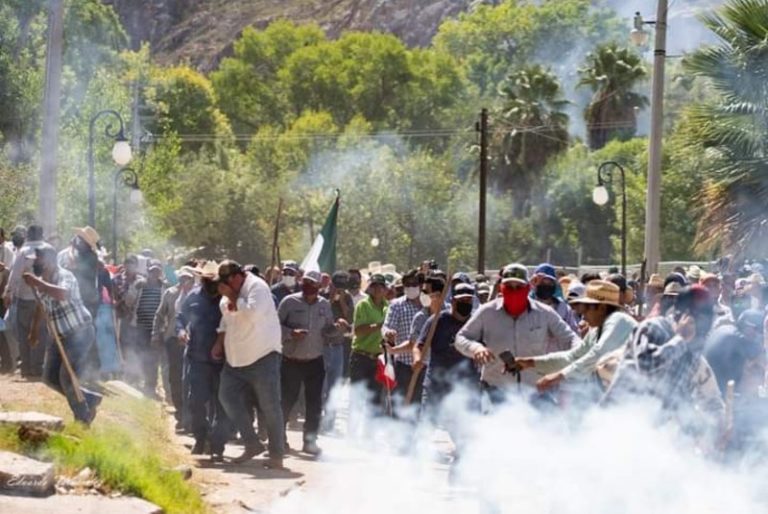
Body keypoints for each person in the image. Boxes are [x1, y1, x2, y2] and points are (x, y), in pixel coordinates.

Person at [603, 285, 724, 433]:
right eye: (702, 317)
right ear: (685, 315)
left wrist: (706, 429)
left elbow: (677, 396)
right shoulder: (653, 327)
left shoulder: (692, 351)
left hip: (648, 432)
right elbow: (645, 366)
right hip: (618, 421)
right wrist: (680, 339)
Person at [454, 263, 580, 403]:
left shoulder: (545, 313)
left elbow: (571, 338)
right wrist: (476, 348)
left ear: (527, 288)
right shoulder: (487, 312)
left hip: (534, 392)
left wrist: (581, 353)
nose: (514, 291)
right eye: (509, 287)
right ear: (502, 287)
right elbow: (461, 337)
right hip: (495, 391)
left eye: (518, 287)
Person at [213, 260, 285, 468]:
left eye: (226, 283)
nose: (223, 288)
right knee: (226, 397)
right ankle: (252, 443)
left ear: (236, 277)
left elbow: (252, 313)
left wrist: (233, 297)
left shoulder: (258, 287)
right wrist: (219, 342)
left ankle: (276, 454)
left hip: (262, 355)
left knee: (270, 406)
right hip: (235, 358)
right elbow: (226, 319)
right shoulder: (228, 294)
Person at [516, 280, 637, 403]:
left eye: (586, 310)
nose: (583, 316)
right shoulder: (596, 331)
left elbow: (598, 353)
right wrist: (531, 362)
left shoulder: (618, 320)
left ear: (601, 308)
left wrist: (559, 376)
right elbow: (573, 356)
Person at [24, 246, 102, 424]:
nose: (35, 262)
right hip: (59, 336)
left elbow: (62, 293)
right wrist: (34, 330)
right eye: (34, 260)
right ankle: (89, 398)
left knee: (66, 377)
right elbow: (40, 306)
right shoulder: (43, 280)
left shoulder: (64, 276)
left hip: (79, 332)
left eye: (38, 259)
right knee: (50, 377)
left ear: (50, 259)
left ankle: (83, 416)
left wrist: (37, 283)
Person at [278, 270, 346, 455]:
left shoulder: (324, 305)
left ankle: (310, 441)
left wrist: (338, 328)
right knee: (286, 401)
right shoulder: (289, 302)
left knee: (314, 403)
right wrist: (291, 333)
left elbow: (327, 331)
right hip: (291, 360)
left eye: (312, 284)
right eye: (306, 282)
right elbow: (275, 326)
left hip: (315, 361)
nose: (308, 286)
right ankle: (279, 440)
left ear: (318, 286)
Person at [413, 282, 479, 454]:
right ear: (453, 301)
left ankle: (460, 472)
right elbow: (419, 345)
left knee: (466, 436)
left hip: (465, 388)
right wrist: (417, 359)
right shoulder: (437, 321)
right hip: (436, 385)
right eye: (461, 300)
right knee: (425, 429)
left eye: (468, 300)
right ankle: (415, 468)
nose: (465, 303)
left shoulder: (476, 323)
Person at [178, 261, 232, 462]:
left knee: (223, 405)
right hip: (197, 358)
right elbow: (180, 318)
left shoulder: (227, 299)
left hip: (222, 361)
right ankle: (201, 438)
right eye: (206, 279)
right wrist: (181, 331)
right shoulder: (192, 297)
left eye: (212, 279)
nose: (209, 282)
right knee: (196, 402)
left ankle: (218, 444)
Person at [3, 224, 53, 378]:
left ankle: (26, 367)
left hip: (24, 299)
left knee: (24, 332)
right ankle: (37, 367)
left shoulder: (24, 251)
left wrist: (8, 293)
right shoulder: (50, 250)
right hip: (44, 300)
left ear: (28, 235)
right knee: (41, 332)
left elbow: (15, 275)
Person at [153, 267, 195, 428]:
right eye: (182, 278)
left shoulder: (196, 295)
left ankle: (190, 417)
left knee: (190, 380)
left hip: (192, 342)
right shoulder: (170, 293)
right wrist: (155, 334)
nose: (185, 281)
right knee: (175, 378)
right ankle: (180, 413)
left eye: (188, 278)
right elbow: (159, 315)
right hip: (173, 339)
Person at [382, 269, 425, 410]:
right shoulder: (397, 305)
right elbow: (386, 326)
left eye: (414, 284)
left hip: (425, 364)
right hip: (404, 364)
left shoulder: (429, 304)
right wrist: (389, 332)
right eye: (407, 284)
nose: (410, 287)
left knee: (420, 405)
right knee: (400, 403)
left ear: (421, 285)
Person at [349, 273, 389, 415]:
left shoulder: (388, 307)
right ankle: (353, 433)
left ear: (385, 289)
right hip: (361, 357)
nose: (377, 289)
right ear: (370, 288)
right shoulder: (363, 305)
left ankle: (370, 434)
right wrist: (378, 326)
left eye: (381, 286)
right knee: (356, 398)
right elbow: (358, 331)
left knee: (376, 400)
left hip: (379, 359)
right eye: (374, 286)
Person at [704, 309, 765, 397]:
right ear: (749, 328)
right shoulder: (736, 337)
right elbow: (762, 359)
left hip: (711, 386)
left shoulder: (726, 329)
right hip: (718, 393)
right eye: (759, 331)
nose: (759, 336)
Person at [322, 271, 354, 431]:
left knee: (334, 388)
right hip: (322, 346)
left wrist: (341, 300)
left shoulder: (347, 298)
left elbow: (349, 318)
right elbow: (321, 315)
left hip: (338, 347)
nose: (340, 289)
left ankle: (329, 423)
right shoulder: (322, 294)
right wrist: (330, 298)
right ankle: (316, 420)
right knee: (321, 386)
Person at [134, 260, 166, 397]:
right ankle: (145, 381)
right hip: (141, 326)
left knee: (153, 357)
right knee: (142, 355)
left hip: (157, 329)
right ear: (148, 272)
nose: (154, 274)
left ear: (160, 273)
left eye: (157, 272)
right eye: (152, 271)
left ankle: (151, 384)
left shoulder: (164, 287)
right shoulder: (140, 286)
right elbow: (131, 301)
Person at [530, 263, 580, 348]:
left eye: (550, 283)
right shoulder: (528, 306)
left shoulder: (563, 308)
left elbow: (574, 333)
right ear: (535, 283)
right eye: (542, 282)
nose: (546, 286)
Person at [57, 227, 101, 319]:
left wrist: (71, 247)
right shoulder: (86, 254)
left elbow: (72, 264)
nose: (77, 240)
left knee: (85, 328)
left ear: (84, 242)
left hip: (86, 299)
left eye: (79, 238)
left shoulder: (90, 256)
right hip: (86, 298)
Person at [112, 254, 143, 383]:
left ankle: (135, 374)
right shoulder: (117, 279)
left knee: (136, 345)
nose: (130, 266)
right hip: (122, 317)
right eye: (128, 263)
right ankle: (125, 373)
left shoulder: (141, 281)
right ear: (124, 265)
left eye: (133, 263)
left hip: (137, 319)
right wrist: (119, 303)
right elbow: (113, 297)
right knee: (123, 344)